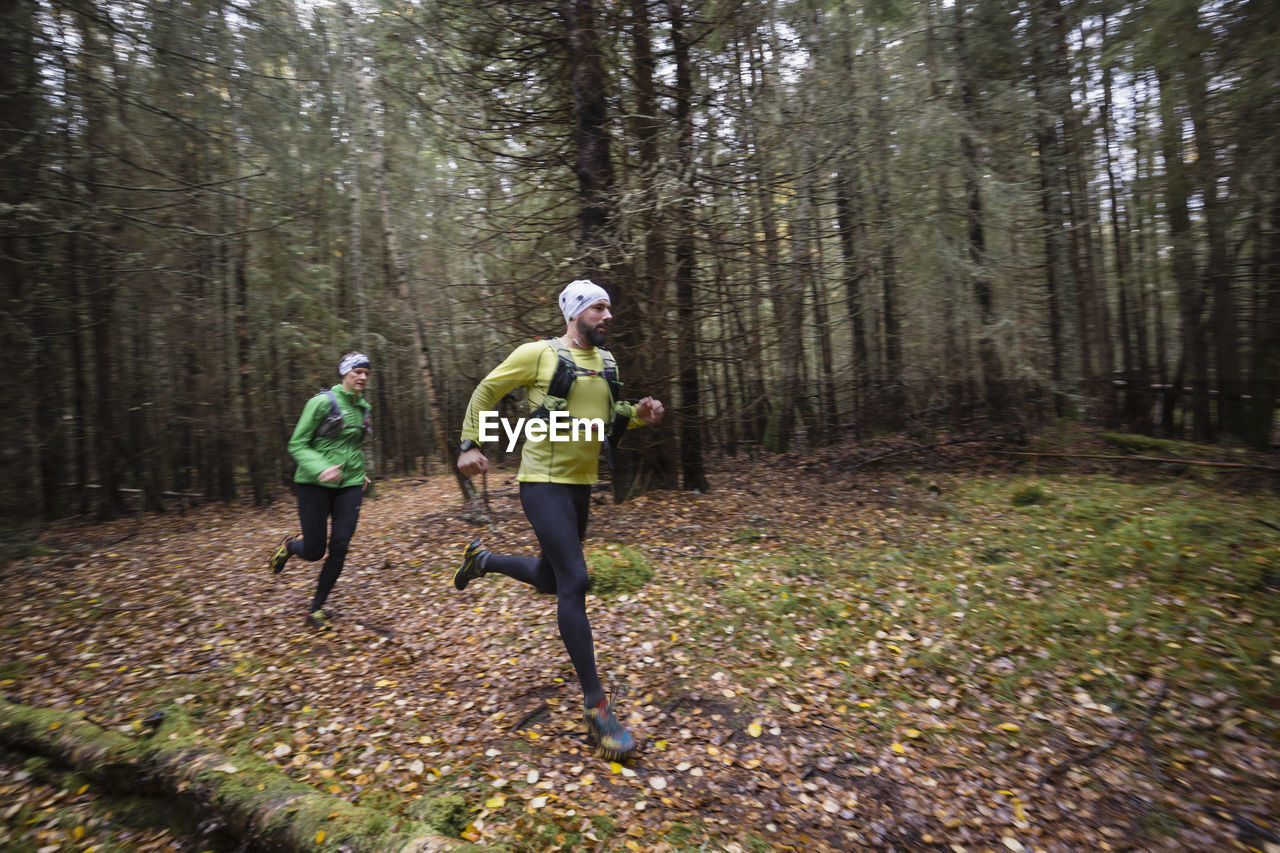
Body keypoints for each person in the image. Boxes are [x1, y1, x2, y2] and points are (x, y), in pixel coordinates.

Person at [454, 279, 664, 761]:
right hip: (542, 482)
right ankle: (597, 710)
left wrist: (640, 415)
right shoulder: (539, 354)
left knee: (552, 579)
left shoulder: (608, 363)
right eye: (599, 308)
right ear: (575, 314)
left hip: (580, 484)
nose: (608, 316)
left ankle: (481, 561)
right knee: (576, 579)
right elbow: (487, 390)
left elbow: (608, 417)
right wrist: (470, 445)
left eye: (610, 308)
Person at [269, 352, 374, 631]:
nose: (363, 377)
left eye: (366, 373)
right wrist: (321, 468)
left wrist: (358, 471)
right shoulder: (320, 402)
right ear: (345, 373)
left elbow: (352, 445)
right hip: (313, 483)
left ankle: (316, 609)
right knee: (315, 551)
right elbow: (297, 444)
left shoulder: (364, 408)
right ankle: (291, 545)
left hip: (349, 484)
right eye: (358, 372)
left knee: (340, 545)